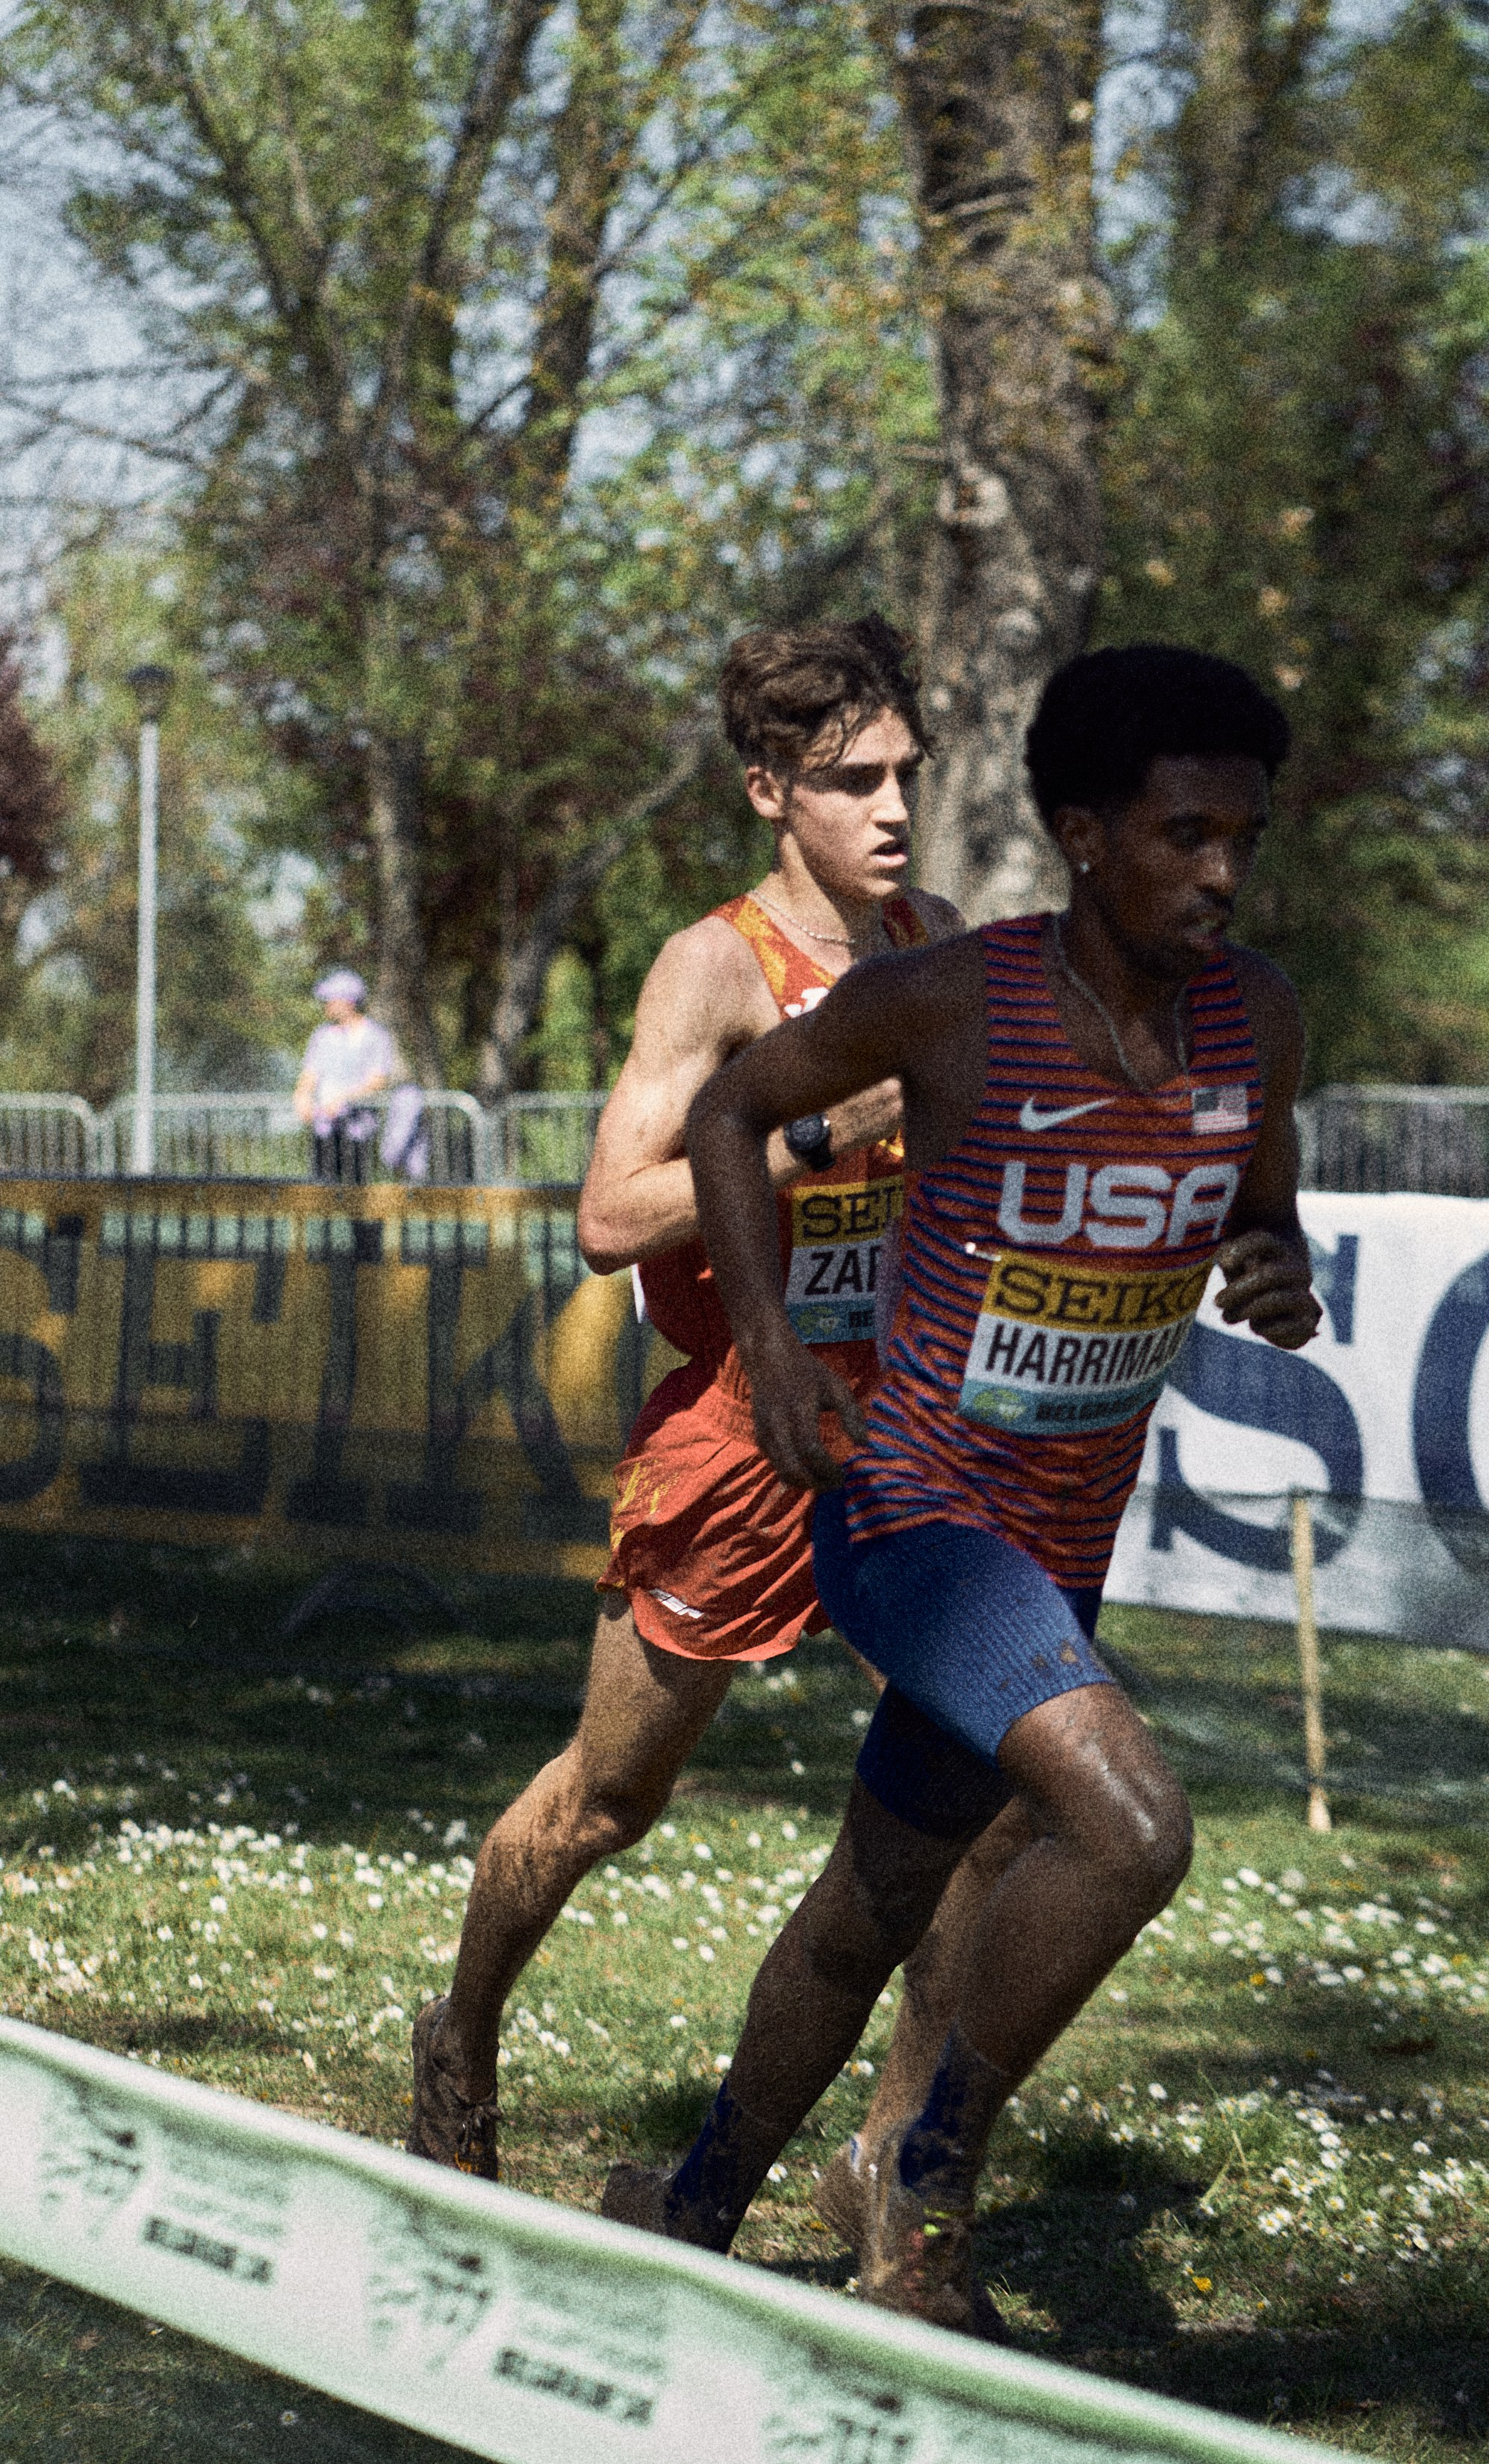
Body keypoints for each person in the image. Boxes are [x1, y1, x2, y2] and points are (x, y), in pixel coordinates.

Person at [600, 641, 1322, 2333]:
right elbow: (722, 1119)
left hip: (1061, 1550)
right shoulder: (954, 999)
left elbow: (1261, 1207)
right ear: (1081, 831)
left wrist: (1270, 1264)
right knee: (1132, 1826)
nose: (1220, 872)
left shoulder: (1258, 1017)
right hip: (909, 1516)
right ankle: (924, 2182)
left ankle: (694, 2198)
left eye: (1243, 838)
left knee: (871, 1906)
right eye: (1182, 835)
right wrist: (775, 1357)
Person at [407, 615, 1026, 2197]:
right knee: (609, 1798)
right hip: (744, 1425)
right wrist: (814, 1139)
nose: (890, 810)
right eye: (847, 782)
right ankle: (461, 2035)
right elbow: (611, 1214)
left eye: (905, 773)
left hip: (909, 1425)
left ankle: (893, 2159)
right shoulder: (713, 964)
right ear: (768, 790)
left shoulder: (934, 935)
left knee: (991, 1783)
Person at [293, 970, 399, 1183]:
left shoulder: (376, 1036)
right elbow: (310, 1074)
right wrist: (301, 1097)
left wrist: (343, 1099)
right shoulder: (322, 1036)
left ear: (349, 1001)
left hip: (358, 1129)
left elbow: (378, 1080)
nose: (326, 1005)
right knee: (323, 1191)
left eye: (331, 1000)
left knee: (357, 1194)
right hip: (324, 1127)